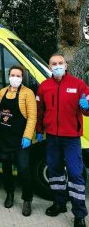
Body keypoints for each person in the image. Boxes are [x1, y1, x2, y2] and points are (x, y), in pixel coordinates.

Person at [36, 53, 89, 227]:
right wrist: (39, 130)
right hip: (52, 137)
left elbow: (87, 108)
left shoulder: (79, 85)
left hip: (72, 138)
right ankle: (59, 203)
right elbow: (40, 110)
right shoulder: (44, 86)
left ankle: (79, 213)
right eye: (54, 64)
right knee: (54, 171)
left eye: (60, 63)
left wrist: (87, 108)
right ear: (49, 67)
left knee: (75, 174)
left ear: (66, 66)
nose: (57, 65)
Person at [0, 65, 37, 216]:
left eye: (18, 75)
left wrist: (27, 136)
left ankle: (27, 199)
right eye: (12, 75)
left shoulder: (28, 93)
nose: (15, 77)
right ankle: (9, 193)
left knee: (24, 169)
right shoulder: (2, 92)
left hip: (21, 140)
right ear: (8, 76)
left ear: (22, 77)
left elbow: (32, 117)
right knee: (6, 168)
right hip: (4, 138)